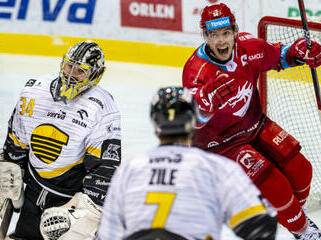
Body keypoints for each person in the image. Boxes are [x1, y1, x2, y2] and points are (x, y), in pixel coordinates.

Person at [182, 2, 321, 240]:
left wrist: (299, 54)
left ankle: (290, 215)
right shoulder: (196, 71)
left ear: (235, 31)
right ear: (205, 36)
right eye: (213, 35)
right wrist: (207, 103)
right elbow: (192, 122)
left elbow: (279, 56)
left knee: (302, 171)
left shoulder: (250, 47)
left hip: (254, 125)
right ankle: (303, 231)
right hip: (221, 145)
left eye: (226, 33)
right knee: (276, 187)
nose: (221, 41)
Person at [96, 86, 277, 240]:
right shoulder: (217, 168)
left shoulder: (130, 169)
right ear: (192, 121)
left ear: (155, 122)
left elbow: (107, 235)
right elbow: (261, 227)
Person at [1, 40, 121, 240]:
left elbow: (104, 167)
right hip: (34, 188)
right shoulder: (34, 92)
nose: (71, 74)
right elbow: (16, 142)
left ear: (96, 74)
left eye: (80, 70)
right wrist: (9, 171)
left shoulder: (102, 107)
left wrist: (80, 212)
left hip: (70, 198)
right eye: (69, 65)